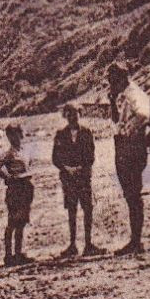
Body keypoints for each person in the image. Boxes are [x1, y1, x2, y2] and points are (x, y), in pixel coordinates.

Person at [107, 63, 150, 256]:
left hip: (131, 147)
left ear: (121, 79)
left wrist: (128, 131)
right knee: (130, 195)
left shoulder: (134, 93)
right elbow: (117, 121)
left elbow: (143, 115)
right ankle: (135, 240)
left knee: (133, 195)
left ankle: (136, 241)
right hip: (125, 147)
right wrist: (111, 103)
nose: (110, 85)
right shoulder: (124, 95)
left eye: (112, 81)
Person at [51, 105, 101, 259]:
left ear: (80, 114)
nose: (73, 117)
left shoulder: (87, 133)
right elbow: (55, 158)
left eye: (75, 114)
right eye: (70, 115)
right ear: (66, 116)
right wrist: (67, 169)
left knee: (88, 210)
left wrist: (81, 168)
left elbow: (91, 155)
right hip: (68, 179)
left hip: (84, 178)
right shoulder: (60, 134)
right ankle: (72, 245)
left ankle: (88, 243)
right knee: (71, 211)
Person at [0, 124, 34, 267]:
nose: (17, 137)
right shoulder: (9, 153)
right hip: (15, 189)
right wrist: (8, 177)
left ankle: (18, 254)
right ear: (9, 137)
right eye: (13, 135)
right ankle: (8, 256)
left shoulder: (24, 151)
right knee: (12, 222)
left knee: (21, 222)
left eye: (18, 133)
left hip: (26, 188)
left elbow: (28, 167)